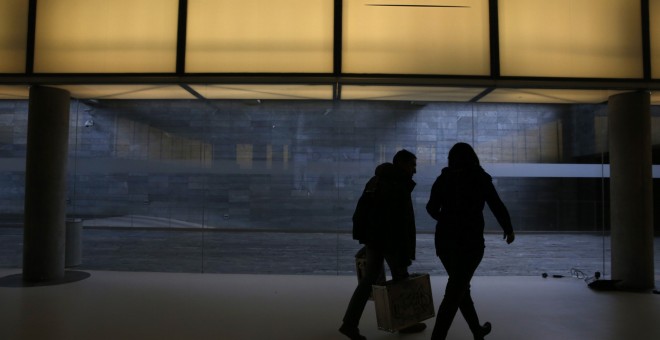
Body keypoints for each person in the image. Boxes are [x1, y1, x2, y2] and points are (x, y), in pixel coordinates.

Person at [426, 143, 515, 340]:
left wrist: (446, 219)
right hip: (470, 242)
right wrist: (508, 229)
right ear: (472, 157)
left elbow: (431, 208)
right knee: (455, 292)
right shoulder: (480, 177)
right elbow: (496, 204)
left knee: (459, 288)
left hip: (444, 242)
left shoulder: (443, 179)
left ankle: (477, 331)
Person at [339, 149, 426, 340]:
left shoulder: (377, 180)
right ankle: (405, 322)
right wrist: (403, 249)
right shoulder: (396, 184)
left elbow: (368, 212)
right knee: (401, 278)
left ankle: (349, 323)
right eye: (413, 165)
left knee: (368, 280)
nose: (415, 170)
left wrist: (368, 239)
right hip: (390, 241)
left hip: (375, 239)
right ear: (403, 165)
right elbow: (399, 221)